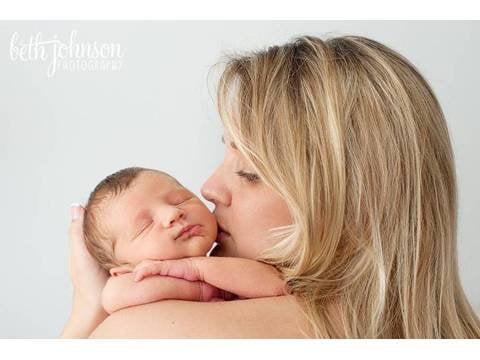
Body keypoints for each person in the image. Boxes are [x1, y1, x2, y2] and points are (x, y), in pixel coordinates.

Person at [61, 34, 480, 338]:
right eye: (225, 154)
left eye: (249, 173)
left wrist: (88, 311)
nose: (207, 188)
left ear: (354, 201)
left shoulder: (151, 334)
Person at [81, 166, 286, 314]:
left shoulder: (228, 260)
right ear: (124, 270)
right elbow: (112, 296)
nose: (173, 213)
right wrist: (198, 290)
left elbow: (278, 285)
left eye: (181, 200)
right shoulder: (125, 284)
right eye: (145, 225)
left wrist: (195, 269)